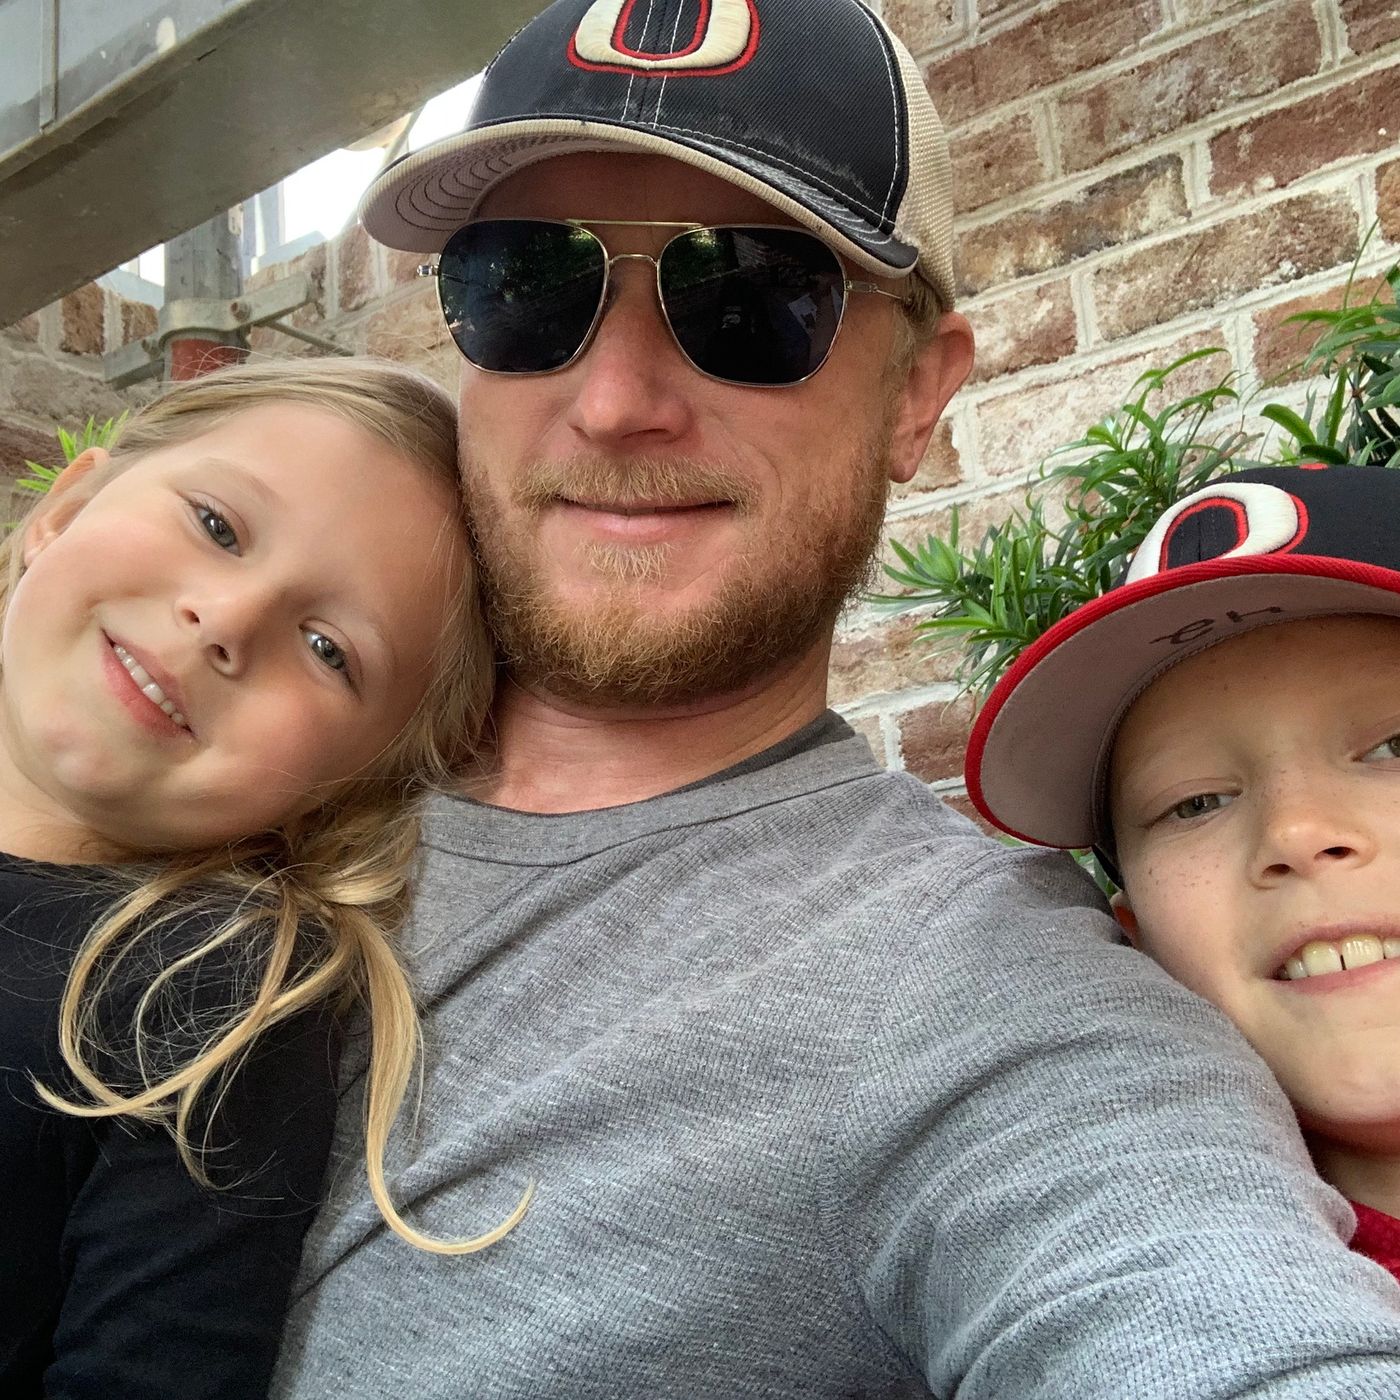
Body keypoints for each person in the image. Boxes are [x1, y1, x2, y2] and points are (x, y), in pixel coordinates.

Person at [273, 2, 1400, 1396]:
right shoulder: (236, 748)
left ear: (917, 397)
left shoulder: (972, 994)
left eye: (749, 298)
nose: (614, 399)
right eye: (528, 284)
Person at [0, 357, 527, 1399]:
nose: (227, 620)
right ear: (63, 510)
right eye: (218, 525)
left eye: (329, 649)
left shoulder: (206, 1001)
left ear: (354, 785)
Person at [966, 463, 1400, 1286]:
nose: (1296, 831)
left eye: (1393, 746)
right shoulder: (1121, 1289)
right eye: (1195, 803)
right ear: (1136, 941)